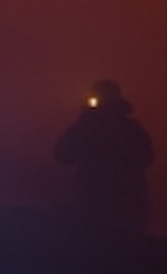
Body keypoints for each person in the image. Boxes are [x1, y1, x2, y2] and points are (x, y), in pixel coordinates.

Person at [54, 79, 154, 238]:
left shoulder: (129, 130)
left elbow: (63, 154)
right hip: (114, 205)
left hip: (110, 205)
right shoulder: (130, 129)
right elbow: (63, 155)